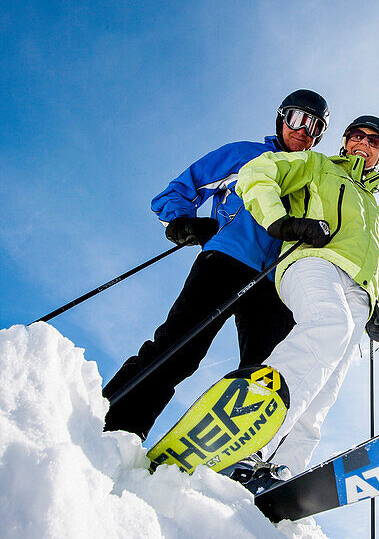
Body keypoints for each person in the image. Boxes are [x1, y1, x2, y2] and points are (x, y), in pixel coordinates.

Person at [103, 90, 330, 441]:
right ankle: (115, 427)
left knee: (267, 376)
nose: (303, 131)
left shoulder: (313, 179)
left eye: (314, 126)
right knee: (180, 349)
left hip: (276, 285)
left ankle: (238, 463)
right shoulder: (245, 155)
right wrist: (184, 223)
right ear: (281, 118)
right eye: (297, 119)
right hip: (226, 262)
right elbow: (179, 190)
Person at [233, 114, 379, 493]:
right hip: (313, 262)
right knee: (328, 324)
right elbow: (257, 172)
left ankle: (281, 473)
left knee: (328, 384)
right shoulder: (318, 165)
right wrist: (280, 221)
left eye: (374, 142)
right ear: (344, 142)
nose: (364, 143)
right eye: (357, 135)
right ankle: (249, 432)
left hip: (360, 292)